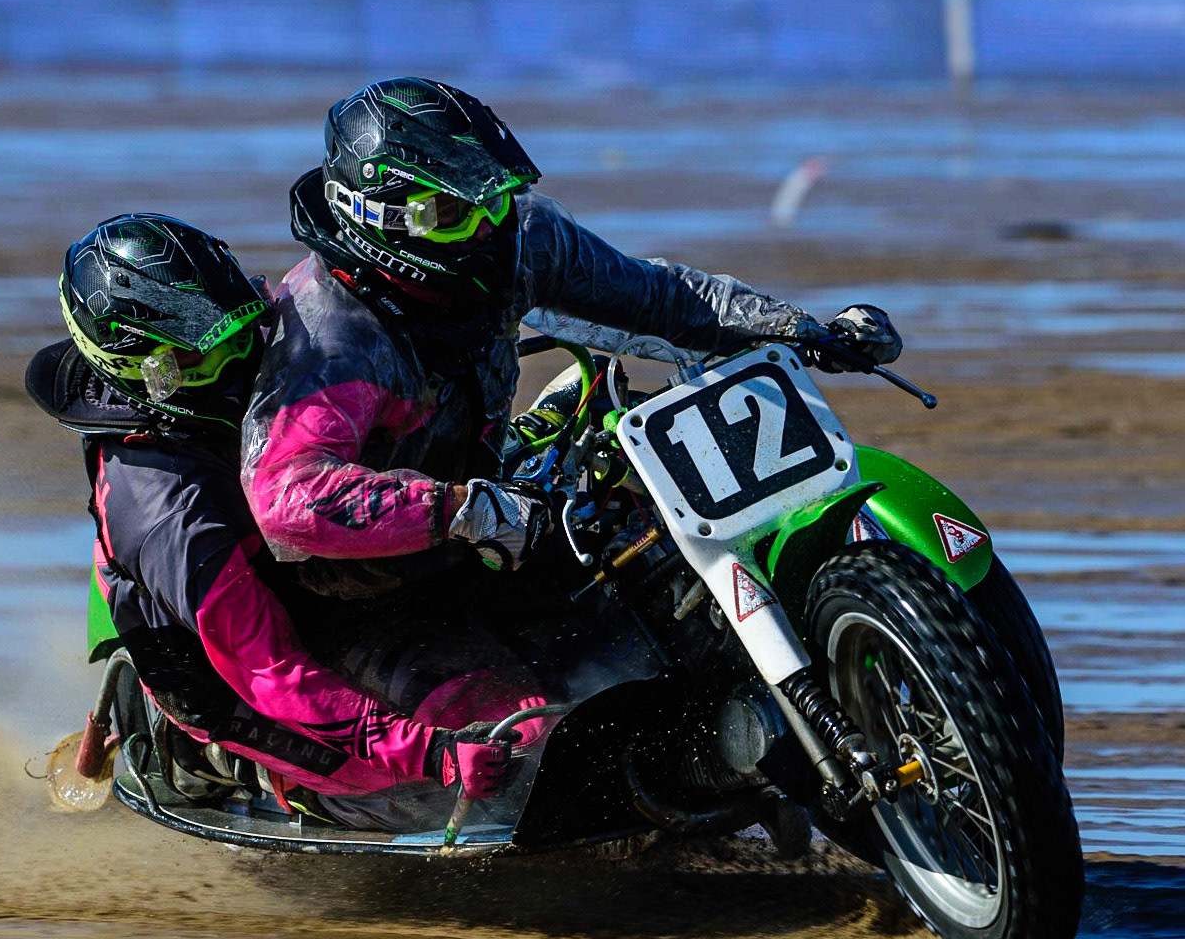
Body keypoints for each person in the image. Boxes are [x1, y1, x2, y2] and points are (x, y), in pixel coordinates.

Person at [241, 77, 904, 593]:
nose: (487, 229)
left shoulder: (520, 238)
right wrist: (462, 510)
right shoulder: (325, 340)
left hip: (490, 487)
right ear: (376, 216)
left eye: (492, 200)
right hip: (367, 578)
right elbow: (287, 499)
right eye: (452, 214)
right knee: (527, 732)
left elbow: (659, 299)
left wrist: (798, 328)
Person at [26, 213, 542, 831]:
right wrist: (432, 754)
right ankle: (212, 760)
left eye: (244, 335)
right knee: (462, 781)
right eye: (208, 358)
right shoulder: (170, 512)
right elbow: (271, 670)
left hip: (324, 584)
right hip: (243, 666)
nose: (244, 366)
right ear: (145, 373)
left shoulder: (270, 334)